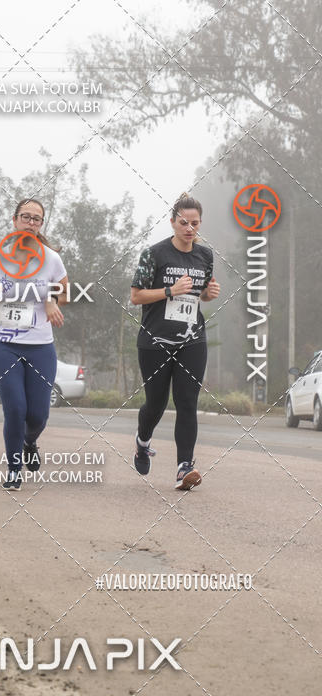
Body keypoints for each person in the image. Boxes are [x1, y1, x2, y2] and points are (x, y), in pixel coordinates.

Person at [130, 193, 220, 490]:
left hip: (192, 338)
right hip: (155, 340)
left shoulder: (205, 256)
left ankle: (185, 467)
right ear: (172, 222)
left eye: (195, 223)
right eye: (184, 222)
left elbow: (200, 294)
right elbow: (136, 296)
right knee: (156, 404)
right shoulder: (154, 254)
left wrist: (209, 293)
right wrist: (169, 291)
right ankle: (143, 442)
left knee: (187, 402)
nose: (189, 228)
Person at [0, 199, 68, 490]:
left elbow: (64, 293)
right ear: (14, 220)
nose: (30, 222)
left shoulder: (51, 258)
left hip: (41, 346)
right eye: (25, 217)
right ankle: (14, 469)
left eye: (36, 219)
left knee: (38, 415)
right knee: (15, 408)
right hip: (3, 345)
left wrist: (51, 300)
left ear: (41, 225)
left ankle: (30, 441)